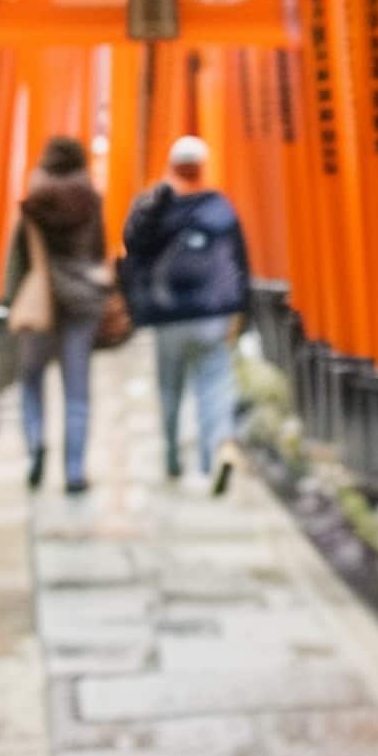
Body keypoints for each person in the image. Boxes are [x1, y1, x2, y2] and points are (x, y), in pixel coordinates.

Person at [123, 133, 252, 492]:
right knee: (213, 384)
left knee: (170, 386)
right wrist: (242, 309)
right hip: (212, 313)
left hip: (168, 315)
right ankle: (214, 456)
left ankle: (172, 454)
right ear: (202, 167)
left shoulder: (155, 208)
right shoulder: (219, 207)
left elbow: (132, 248)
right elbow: (239, 261)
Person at [0, 134, 112, 497]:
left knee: (30, 378)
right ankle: (74, 470)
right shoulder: (90, 199)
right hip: (81, 301)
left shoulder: (35, 202)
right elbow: (98, 251)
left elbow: (19, 258)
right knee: (77, 389)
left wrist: (11, 300)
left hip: (41, 299)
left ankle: (36, 444)